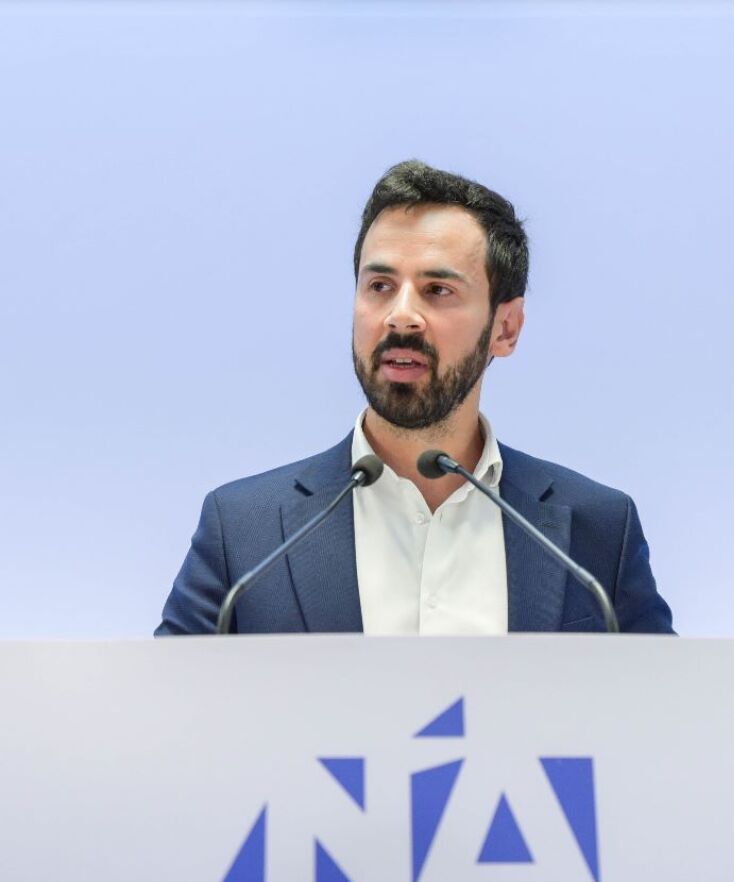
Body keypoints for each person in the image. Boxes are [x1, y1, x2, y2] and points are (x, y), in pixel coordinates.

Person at [156, 160, 673, 636]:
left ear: (506, 328)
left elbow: (664, 700)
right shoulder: (244, 533)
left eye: (437, 290)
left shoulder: (597, 532)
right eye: (380, 286)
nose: (400, 316)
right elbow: (167, 698)